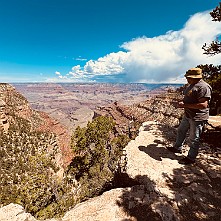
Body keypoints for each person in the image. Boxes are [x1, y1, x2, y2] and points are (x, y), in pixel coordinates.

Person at [167, 67, 212, 165]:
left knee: (194, 138)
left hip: (197, 117)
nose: (187, 79)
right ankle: (177, 148)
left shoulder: (204, 87)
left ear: (196, 77)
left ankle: (191, 158)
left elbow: (204, 105)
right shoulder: (192, 85)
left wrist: (184, 105)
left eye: (188, 77)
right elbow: (190, 98)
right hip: (188, 115)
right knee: (181, 130)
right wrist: (182, 103)